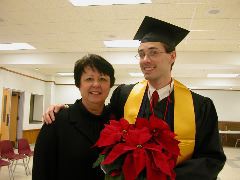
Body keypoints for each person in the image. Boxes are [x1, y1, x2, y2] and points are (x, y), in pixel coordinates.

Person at [43, 16, 226, 179]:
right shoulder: (124, 95)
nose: (145, 59)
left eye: (153, 52)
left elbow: (212, 159)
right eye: (141, 54)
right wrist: (66, 108)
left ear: (172, 56)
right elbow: (99, 119)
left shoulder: (200, 105)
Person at [32, 54, 115, 180]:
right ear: (78, 84)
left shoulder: (117, 119)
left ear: (110, 84)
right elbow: (42, 170)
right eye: (89, 79)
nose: (96, 84)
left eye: (102, 79)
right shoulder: (56, 121)